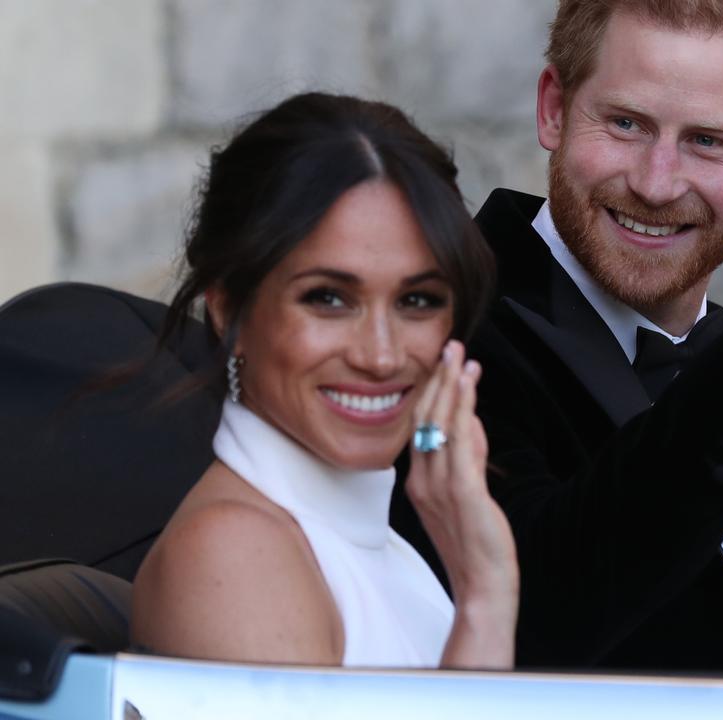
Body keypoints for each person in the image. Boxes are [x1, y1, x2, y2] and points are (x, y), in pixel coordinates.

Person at [391, 0, 723, 673]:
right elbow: (531, 614)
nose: (657, 183)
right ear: (554, 111)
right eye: (626, 124)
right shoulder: (440, 331)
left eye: (707, 140)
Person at [130, 93, 519, 669]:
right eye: (329, 299)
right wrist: (486, 602)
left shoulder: (378, 545)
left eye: (417, 300)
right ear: (227, 307)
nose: (382, 356)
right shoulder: (234, 554)